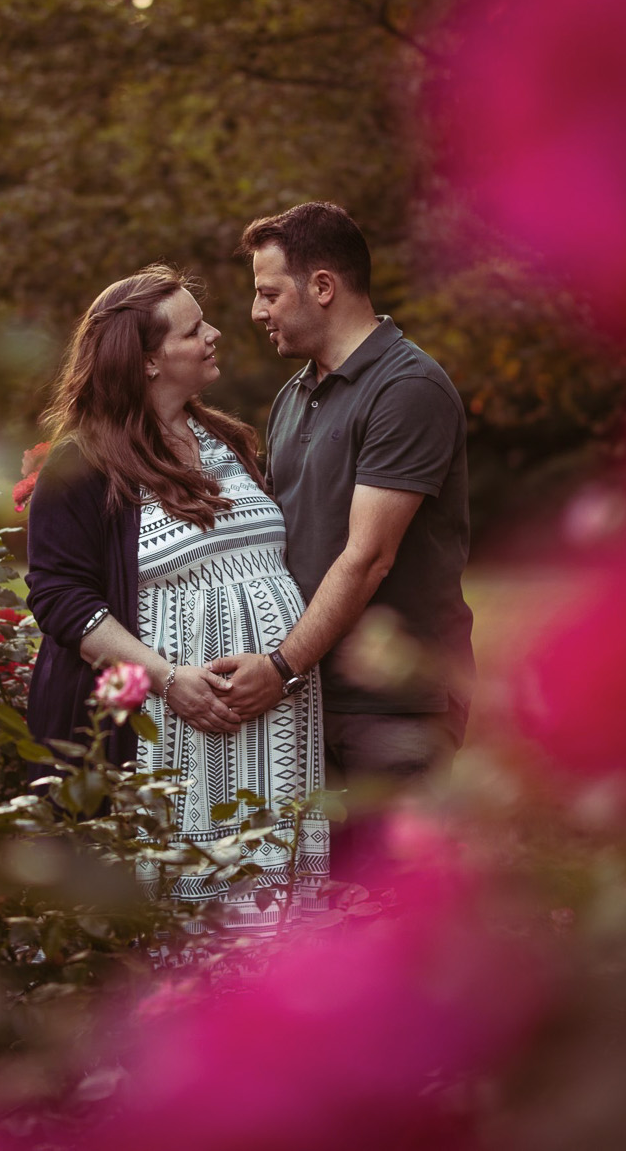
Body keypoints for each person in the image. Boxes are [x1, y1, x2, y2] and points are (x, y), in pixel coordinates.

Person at [23, 264, 330, 925]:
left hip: (271, 729)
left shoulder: (227, 439)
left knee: (271, 912)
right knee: (186, 923)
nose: (216, 334)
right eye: (195, 330)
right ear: (147, 362)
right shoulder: (84, 462)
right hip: (174, 728)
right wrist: (166, 679)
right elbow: (58, 595)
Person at [208, 202, 473, 870]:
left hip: (393, 706)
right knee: (325, 913)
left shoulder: (406, 388)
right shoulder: (293, 395)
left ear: (322, 286)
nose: (256, 312)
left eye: (269, 293)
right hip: (314, 699)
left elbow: (368, 556)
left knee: (392, 910)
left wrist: (279, 667)